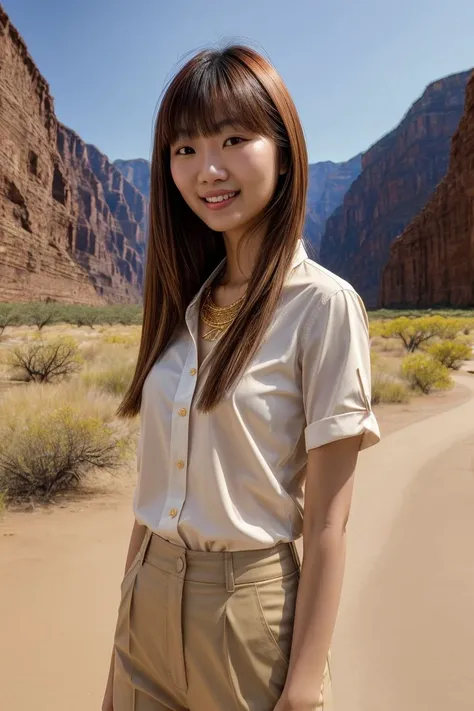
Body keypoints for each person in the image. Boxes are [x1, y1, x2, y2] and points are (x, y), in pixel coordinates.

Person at [101, 44, 381, 711]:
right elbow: (151, 498)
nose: (209, 170)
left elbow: (329, 524)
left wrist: (304, 684)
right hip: (146, 605)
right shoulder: (183, 302)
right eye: (185, 148)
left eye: (234, 139)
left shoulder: (323, 305)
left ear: (282, 148)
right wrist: (120, 645)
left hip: (247, 619)